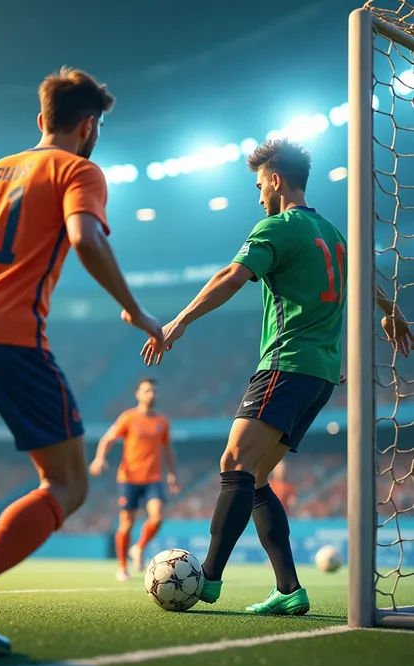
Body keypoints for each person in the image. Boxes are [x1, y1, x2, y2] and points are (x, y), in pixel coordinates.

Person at [0, 66, 163, 655]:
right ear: (90, 126)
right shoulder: (79, 170)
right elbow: (86, 238)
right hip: (7, 334)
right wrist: (137, 312)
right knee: (66, 483)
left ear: (41, 119)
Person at [141, 138, 413, 616]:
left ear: (274, 180)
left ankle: (208, 577)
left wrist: (179, 320)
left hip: (285, 365)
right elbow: (361, 278)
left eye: (258, 184)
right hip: (322, 374)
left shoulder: (278, 227)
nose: (257, 195)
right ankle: (288, 588)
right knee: (260, 476)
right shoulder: (332, 232)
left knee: (234, 460)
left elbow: (232, 275)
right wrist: (390, 311)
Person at [90, 378, 179, 581]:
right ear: (138, 394)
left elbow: (168, 449)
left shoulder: (162, 422)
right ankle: (122, 567)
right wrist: (100, 458)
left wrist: (172, 473)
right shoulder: (128, 418)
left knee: (157, 518)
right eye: (147, 391)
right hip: (128, 478)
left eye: (154, 391)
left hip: (153, 478)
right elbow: (108, 438)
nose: (151, 394)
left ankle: (138, 548)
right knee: (127, 525)